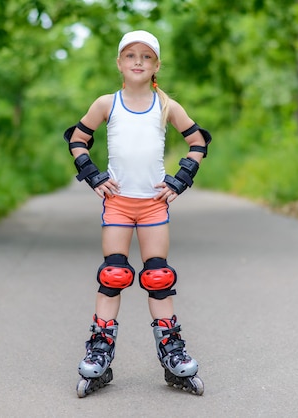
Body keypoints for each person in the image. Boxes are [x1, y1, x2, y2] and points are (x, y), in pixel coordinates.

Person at [64, 30, 211, 397]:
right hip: (118, 202)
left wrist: (179, 181)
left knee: (158, 275)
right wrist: (93, 176)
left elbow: (198, 142)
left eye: (146, 57)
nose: (138, 62)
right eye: (131, 56)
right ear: (119, 63)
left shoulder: (166, 106)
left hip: (152, 204)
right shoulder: (106, 104)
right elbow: (77, 139)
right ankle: (99, 351)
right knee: (113, 274)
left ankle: (172, 352)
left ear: (156, 65)